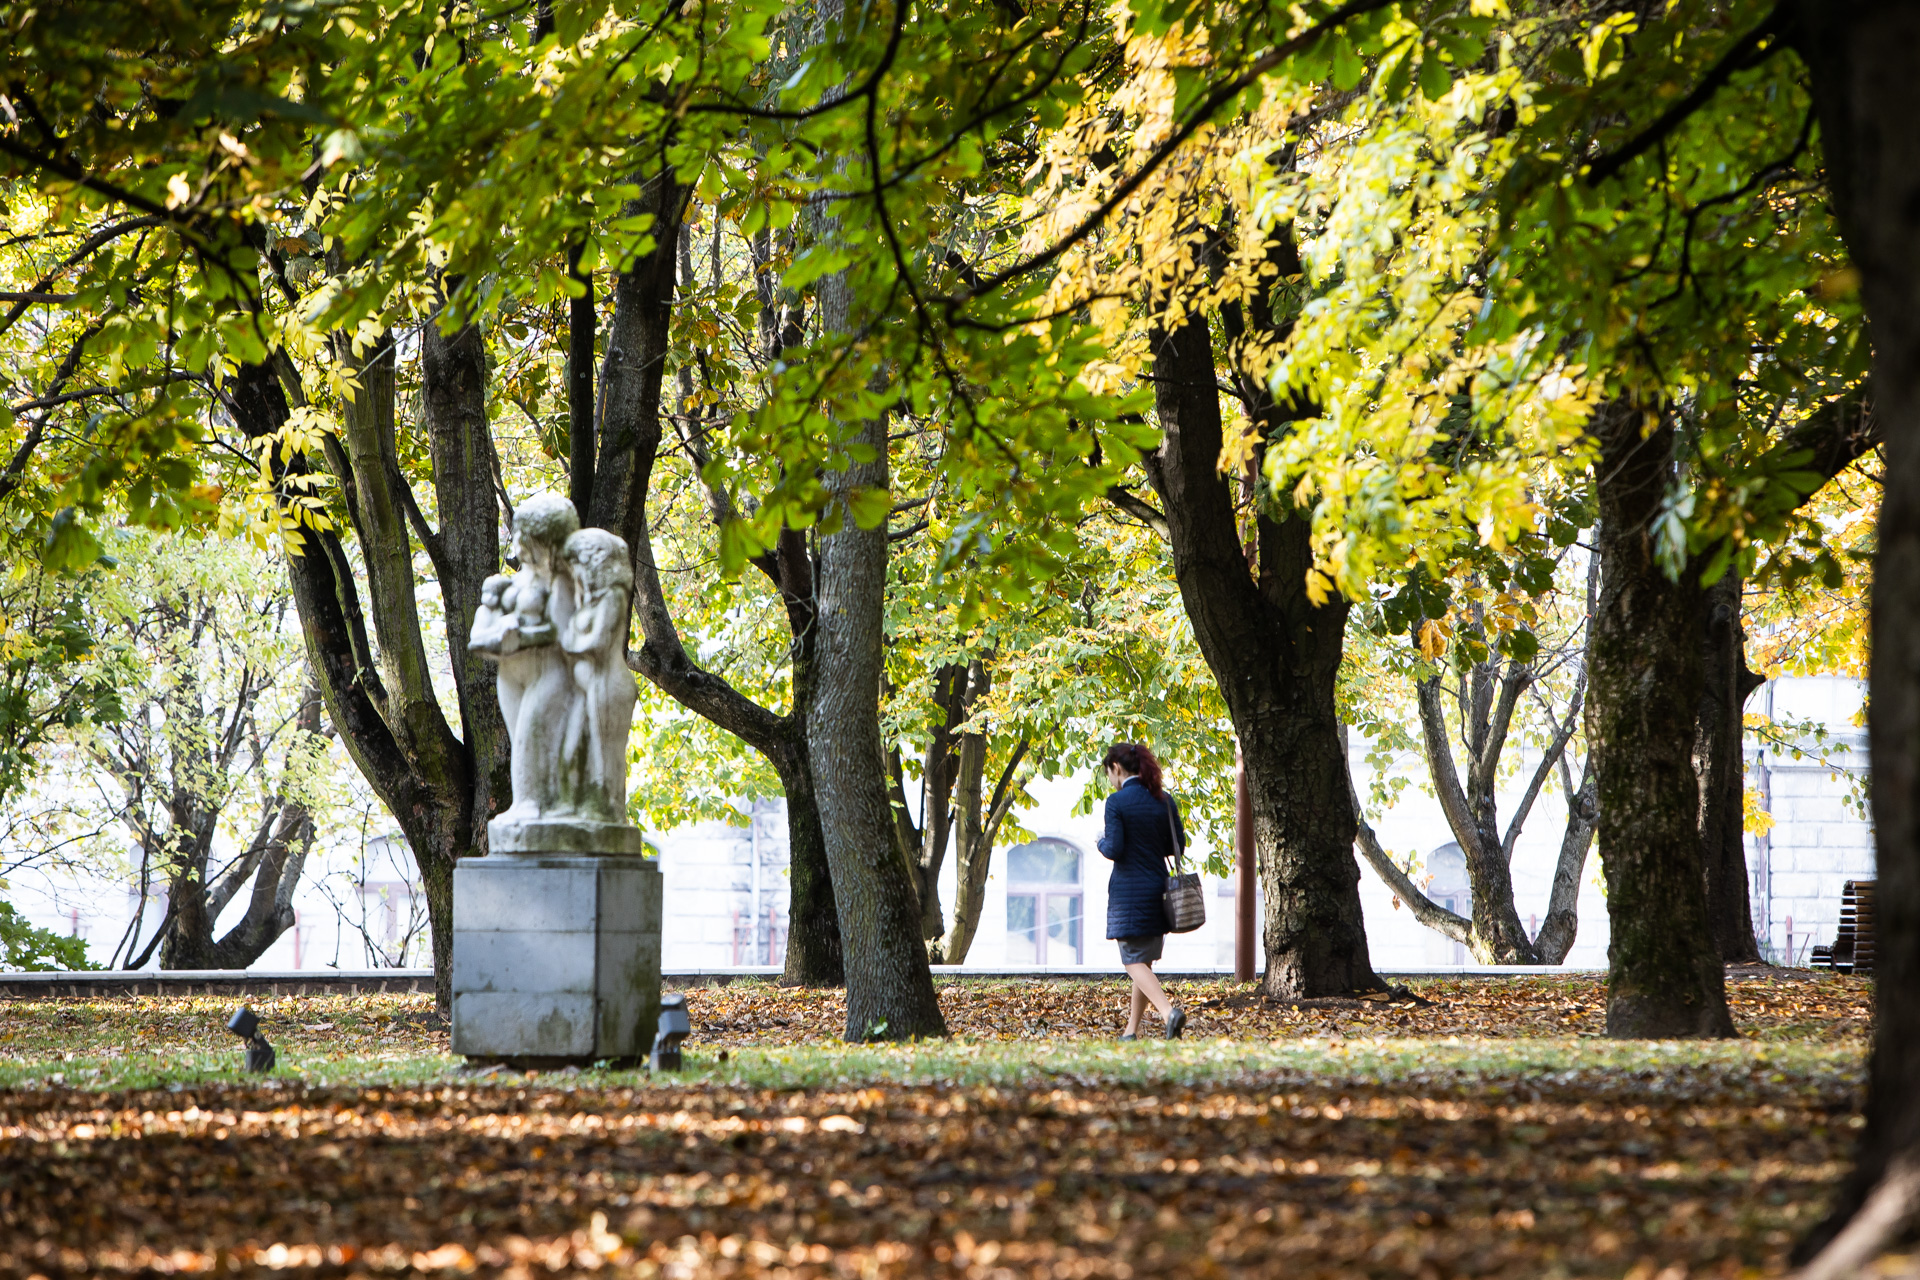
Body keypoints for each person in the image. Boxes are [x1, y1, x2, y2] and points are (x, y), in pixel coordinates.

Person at [1098, 742, 1187, 1040]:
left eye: (1109, 772)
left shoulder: (1117, 802)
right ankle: (1130, 1032)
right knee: (1143, 962)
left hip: (1129, 895)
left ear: (1117, 769)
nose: (1110, 779)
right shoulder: (1164, 800)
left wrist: (1099, 841)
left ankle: (1168, 1013)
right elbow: (1177, 846)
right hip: (1159, 890)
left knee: (1132, 961)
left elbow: (1114, 848)